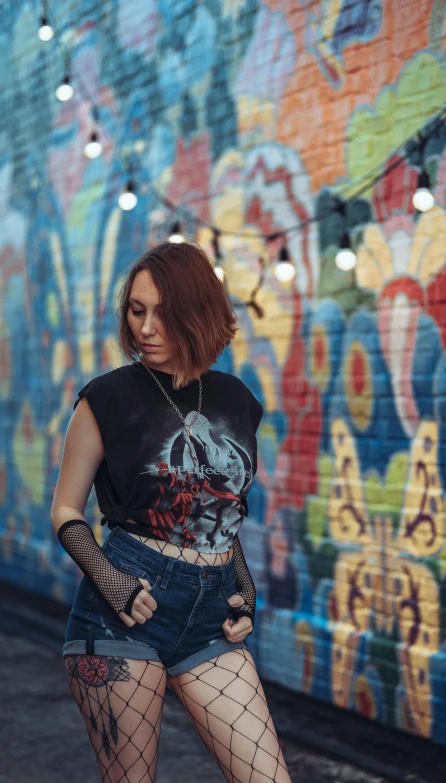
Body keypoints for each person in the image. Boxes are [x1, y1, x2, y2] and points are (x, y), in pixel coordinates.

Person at [50, 241, 293, 782]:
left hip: (210, 617)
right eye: (137, 310)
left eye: (163, 312)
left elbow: (222, 511)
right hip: (126, 608)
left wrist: (243, 586)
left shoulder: (237, 400)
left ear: (197, 313)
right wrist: (111, 582)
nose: (146, 328)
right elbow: (66, 509)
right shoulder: (105, 398)